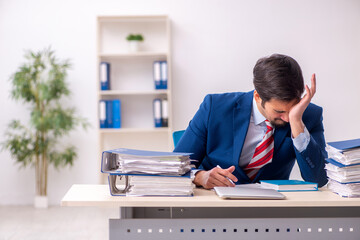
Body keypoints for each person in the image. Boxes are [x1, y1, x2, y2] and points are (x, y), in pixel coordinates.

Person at [174, 54, 328, 189]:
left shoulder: (308, 116)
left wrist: (297, 123)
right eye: (279, 111)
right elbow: (175, 167)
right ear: (258, 97)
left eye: (292, 109)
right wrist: (200, 177)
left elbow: (318, 179)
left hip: (271, 213)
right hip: (215, 205)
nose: (287, 118)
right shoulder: (214, 108)